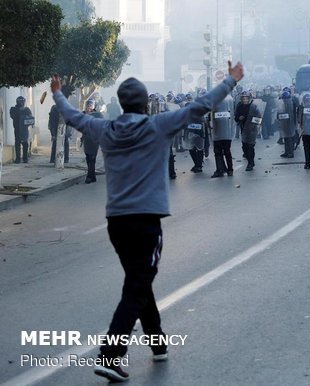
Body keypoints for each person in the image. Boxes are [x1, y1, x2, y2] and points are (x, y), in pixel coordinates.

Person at [50, 60, 244, 382]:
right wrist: (231, 82)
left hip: (117, 222)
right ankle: (111, 355)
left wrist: (58, 94)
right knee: (137, 284)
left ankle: (158, 343)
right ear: (145, 104)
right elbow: (200, 106)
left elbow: (73, 117)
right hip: (146, 222)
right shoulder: (159, 125)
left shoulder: (105, 129)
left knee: (138, 281)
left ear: (122, 104)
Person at [82, 99, 103, 183]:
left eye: (90, 105)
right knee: (88, 157)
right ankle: (93, 176)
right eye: (87, 105)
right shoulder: (83, 114)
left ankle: (89, 177)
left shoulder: (98, 115)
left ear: (93, 106)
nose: (88, 107)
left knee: (92, 157)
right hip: (86, 139)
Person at [9, 96, 34, 163]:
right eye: (21, 101)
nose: (22, 103)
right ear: (17, 102)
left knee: (25, 143)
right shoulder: (13, 109)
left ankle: (25, 158)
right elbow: (13, 116)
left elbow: (30, 118)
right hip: (17, 129)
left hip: (24, 129)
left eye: (23, 101)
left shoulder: (26, 109)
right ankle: (18, 159)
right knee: (17, 143)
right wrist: (21, 111)